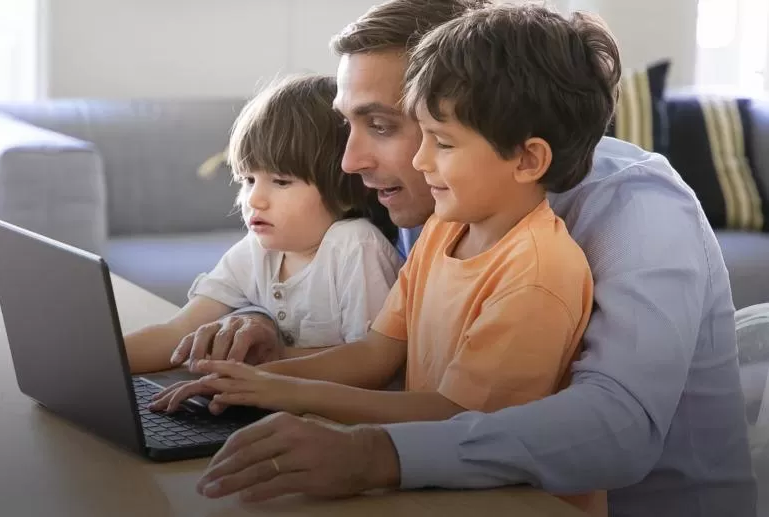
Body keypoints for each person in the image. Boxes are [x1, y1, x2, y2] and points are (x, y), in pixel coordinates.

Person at [171, 1, 758, 516]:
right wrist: (262, 333)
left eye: (381, 125)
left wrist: (373, 453)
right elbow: (387, 339)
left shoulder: (634, 208)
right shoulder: (433, 198)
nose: (348, 161)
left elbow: (617, 430)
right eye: (347, 124)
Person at [123, 74, 403, 375]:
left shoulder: (355, 245)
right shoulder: (255, 251)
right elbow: (177, 332)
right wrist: (92, 366)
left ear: (346, 189)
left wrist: (266, 364)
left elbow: (370, 363)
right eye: (248, 180)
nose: (254, 200)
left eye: (281, 182)